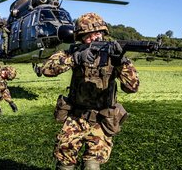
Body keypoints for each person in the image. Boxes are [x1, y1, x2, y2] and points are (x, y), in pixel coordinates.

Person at [34, 13, 140, 170]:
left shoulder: (114, 54)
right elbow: (47, 69)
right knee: (64, 163)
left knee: (92, 166)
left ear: (103, 33)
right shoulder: (74, 52)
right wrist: (75, 59)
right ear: (80, 37)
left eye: (97, 33)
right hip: (75, 118)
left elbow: (133, 87)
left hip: (102, 120)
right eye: (88, 35)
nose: (94, 38)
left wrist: (121, 62)